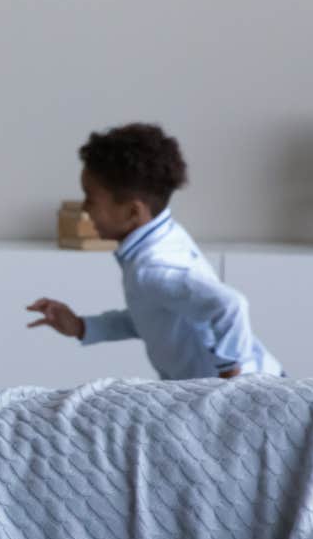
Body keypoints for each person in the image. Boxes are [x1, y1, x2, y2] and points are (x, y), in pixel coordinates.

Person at [28, 123, 283, 379]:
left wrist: (231, 384)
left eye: (91, 199)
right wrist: (82, 326)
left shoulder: (153, 268)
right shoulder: (163, 238)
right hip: (247, 382)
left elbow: (230, 305)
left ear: (132, 212)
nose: (84, 208)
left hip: (249, 395)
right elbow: (153, 318)